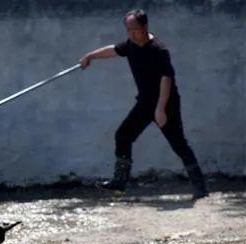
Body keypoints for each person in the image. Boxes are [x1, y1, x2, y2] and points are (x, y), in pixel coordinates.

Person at [79, 9, 208, 200]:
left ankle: (200, 188)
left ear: (144, 27)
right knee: (123, 136)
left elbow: (167, 79)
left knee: (178, 143)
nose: (131, 33)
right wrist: (90, 56)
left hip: (166, 103)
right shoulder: (131, 45)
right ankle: (120, 182)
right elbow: (113, 49)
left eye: (134, 29)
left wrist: (161, 109)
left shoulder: (158, 49)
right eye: (128, 29)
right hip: (144, 104)